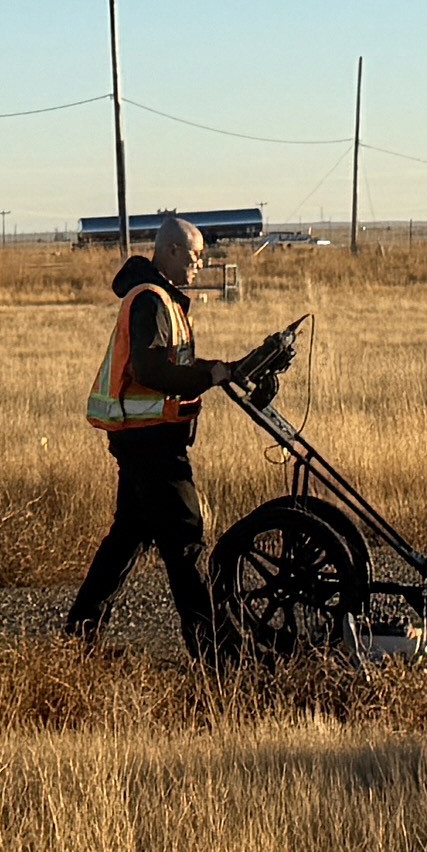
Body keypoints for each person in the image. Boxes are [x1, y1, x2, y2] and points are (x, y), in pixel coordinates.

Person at [62, 215, 293, 655]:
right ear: (171, 251)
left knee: (127, 537)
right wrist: (209, 376)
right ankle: (217, 653)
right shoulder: (150, 301)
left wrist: (225, 370)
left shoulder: (162, 299)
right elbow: (151, 370)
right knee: (185, 539)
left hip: (146, 437)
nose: (200, 264)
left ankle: (78, 639)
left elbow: (175, 366)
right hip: (151, 442)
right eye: (195, 256)